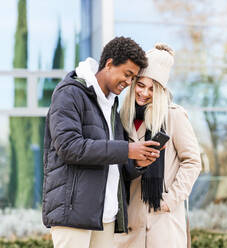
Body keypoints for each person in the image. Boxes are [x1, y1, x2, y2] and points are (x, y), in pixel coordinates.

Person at [42, 36, 162, 248]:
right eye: (127, 74)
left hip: (106, 216)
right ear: (109, 63)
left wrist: (137, 164)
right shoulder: (70, 93)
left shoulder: (112, 106)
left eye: (133, 77)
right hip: (73, 215)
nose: (128, 82)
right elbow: (69, 148)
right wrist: (127, 149)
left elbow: (114, 163)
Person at [115, 43, 202, 248]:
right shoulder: (122, 118)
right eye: (141, 85)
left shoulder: (174, 116)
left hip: (164, 224)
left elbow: (192, 162)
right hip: (130, 224)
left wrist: (170, 199)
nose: (144, 93)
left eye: (152, 89)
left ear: (161, 91)